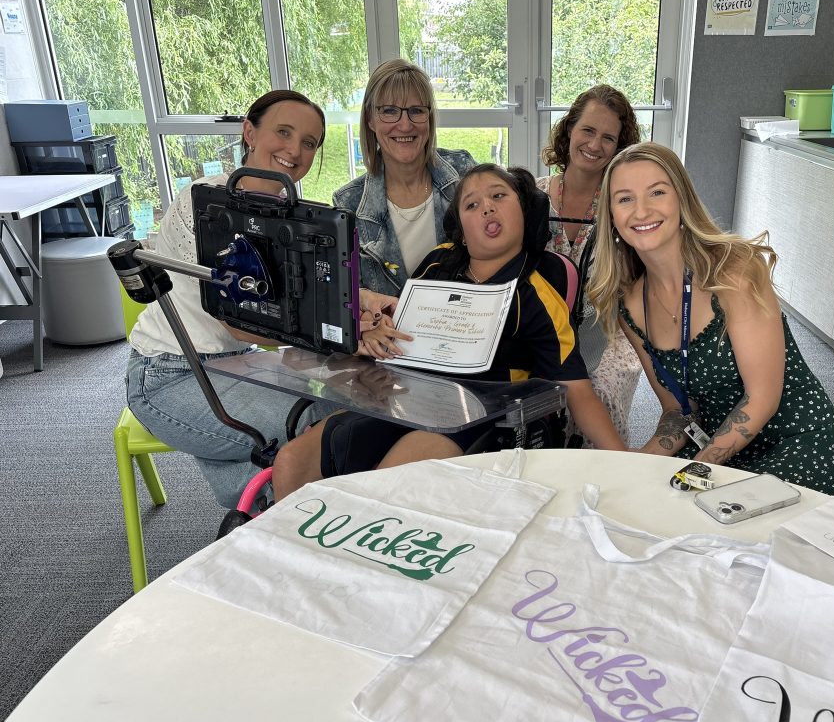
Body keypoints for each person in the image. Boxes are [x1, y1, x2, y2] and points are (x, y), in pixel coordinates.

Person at [272, 164, 627, 499]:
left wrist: (627, 465)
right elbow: (402, 332)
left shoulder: (537, 293)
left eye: (499, 197)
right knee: (291, 461)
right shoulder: (438, 264)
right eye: (472, 204)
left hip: (484, 414)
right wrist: (375, 334)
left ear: (525, 211)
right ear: (460, 229)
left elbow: (577, 390)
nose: (487, 207)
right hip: (405, 396)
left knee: (385, 482)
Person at [588, 143, 834, 495]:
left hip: (793, 441)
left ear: (681, 199)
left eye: (657, 192)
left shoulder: (734, 270)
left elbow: (762, 399)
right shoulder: (631, 307)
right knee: (646, 506)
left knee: (708, 525)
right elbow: (680, 410)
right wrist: (642, 463)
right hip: (716, 451)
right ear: (612, 216)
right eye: (624, 199)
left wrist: (696, 470)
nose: (642, 210)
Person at [126, 90, 335, 508]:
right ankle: (277, 512)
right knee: (320, 424)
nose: (295, 150)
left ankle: (253, 509)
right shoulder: (206, 203)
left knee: (331, 407)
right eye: (284, 132)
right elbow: (242, 321)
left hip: (236, 364)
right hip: (170, 373)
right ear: (249, 132)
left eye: (309, 142)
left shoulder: (285, 215)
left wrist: (356, 309)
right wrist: (336, 338)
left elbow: (310, 297)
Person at [537, 84, 643, 446]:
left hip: (606, 331)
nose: (595, 145)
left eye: (608, 138)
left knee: (597, 392)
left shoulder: (624, 208)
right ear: (569, 130)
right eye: (588, 130)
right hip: (540, 328)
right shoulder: (531, 198)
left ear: (619, 148)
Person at [334, 58, 475, 307]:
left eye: (416, 110)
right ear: (370, 119)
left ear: (429, 118)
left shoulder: (464, 172)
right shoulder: (348, 205)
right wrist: (361, 301)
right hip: (394, 341)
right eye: (389, 111)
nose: (405, 124)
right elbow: (342, 292)